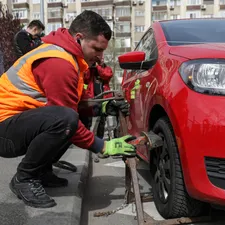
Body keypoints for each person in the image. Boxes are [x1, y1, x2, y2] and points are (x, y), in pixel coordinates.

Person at [0, 10, 135, 209]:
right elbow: (65, 115)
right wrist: (102, 146)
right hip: (5, 132)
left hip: (15, 124)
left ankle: (42, 170)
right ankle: (25, 178)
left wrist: (103, 107)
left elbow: (76, 104)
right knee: (66, 121)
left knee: (67, 118)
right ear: (79, 38)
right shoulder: (59, 62)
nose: (100, 56)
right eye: (97, 49)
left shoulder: (69, 57)